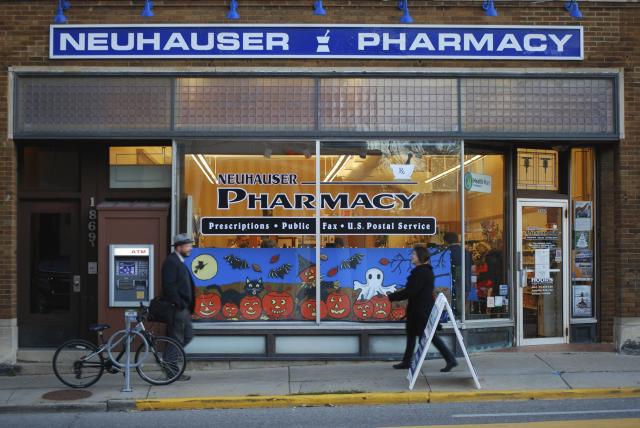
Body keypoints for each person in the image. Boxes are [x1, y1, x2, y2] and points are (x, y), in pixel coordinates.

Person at [388, 246, 458, 372]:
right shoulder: (423, 271)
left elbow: (412, 291)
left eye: (414, 254)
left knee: (430, 337)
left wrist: (392, 297)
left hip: (420, 312)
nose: (412, 257)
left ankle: (450, 359)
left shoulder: (421, 272)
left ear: (420, 256)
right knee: (410, 335)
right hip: (417, 310)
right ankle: (406, 361)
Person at [161, 233, 196, 381]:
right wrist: (179, 303)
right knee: (177, 338)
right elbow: (168, 286)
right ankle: (171, 370)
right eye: (188, 246)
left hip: (183, 308)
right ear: (179, 247)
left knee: (186, 336)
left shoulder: (178, 261)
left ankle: (169, 362)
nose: (190, 249)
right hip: (178, 309)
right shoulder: (171, 261)